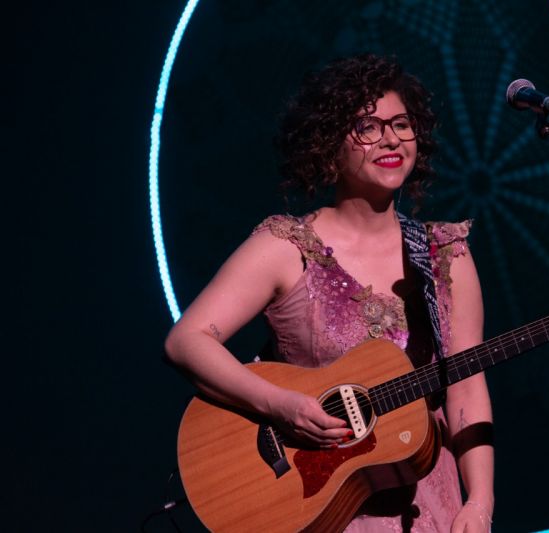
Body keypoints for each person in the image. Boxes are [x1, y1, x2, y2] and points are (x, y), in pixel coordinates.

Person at [164, 54, 494, 532]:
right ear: (328, 142)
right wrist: (281, 404)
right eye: (367, 126)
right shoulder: (287, 246)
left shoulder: (447, 255)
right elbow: (186, 341)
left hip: (429, 508)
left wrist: (480, 501)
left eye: (401, 124)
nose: (390, 139)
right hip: (313, 502)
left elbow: (466, 386)